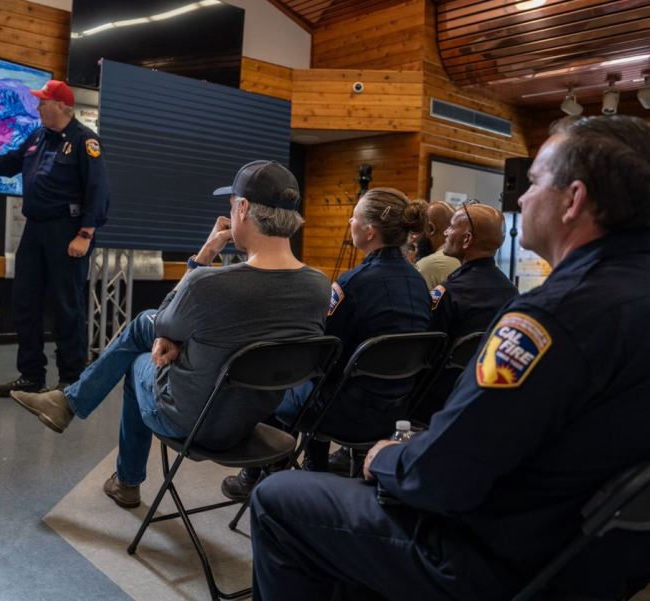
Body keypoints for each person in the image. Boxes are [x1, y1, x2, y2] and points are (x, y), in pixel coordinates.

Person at [249, 115, 650, 601]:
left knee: (277, 498)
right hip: (590, 558)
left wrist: (388, 456)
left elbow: (439, 476)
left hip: (490, 555)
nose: (521, 199)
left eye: (534, 182)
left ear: (574, 200)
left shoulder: (552, 318)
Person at [11, 161, 331, 508]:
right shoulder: (317, 286)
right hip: (249, 423)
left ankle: (123, 477)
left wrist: (204, 255)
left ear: (242, 209)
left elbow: (165, 318)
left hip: (191, 423)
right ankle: (73, 409)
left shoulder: (210, 284)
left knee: (138, 354)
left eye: (231, 206)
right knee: (151, 331)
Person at [222, 188, 430, 499]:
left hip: (345, 414)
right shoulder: (419, 283)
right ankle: (312, 468)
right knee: (323, 383)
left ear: (370, 232)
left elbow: (321, 354)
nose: (349, 221)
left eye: (354, 217)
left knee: (274, 384)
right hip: (395, 412)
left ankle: (264, 476)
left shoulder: (354, 284)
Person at [0, 80, 110, 396]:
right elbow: (9, 162)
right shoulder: (37, 137)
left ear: (62, 106)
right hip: (36, 230)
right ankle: (31, 375)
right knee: (24, 302)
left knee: (66, 305)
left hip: (67, 230)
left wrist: (85, 233)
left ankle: (71, 379)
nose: (38, 106)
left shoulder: (85, 141)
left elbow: (98, 191)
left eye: (44, 101)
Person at [414, 203, 519, 421]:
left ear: (467, 239)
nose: (446, 232)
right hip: (486, 394)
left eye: (452, 227)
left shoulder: (449, 293)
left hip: (440, 403)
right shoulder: (511, 291)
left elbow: (425, 356)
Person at [415, 200, 460, 289]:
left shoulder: (426, 265)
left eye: (419, 228)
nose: (415, 237)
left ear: (430, 228)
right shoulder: (466, 258)